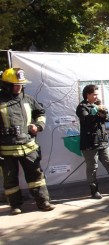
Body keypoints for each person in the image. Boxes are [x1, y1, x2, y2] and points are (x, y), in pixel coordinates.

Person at [0, 68, 54, 215]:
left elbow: (40, 113)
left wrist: (38, 126)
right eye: (16, 85)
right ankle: (15, 205)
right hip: (6, 149)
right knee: (10, 179)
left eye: (21, 85)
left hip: (29, 146)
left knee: (36, 176)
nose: (19, 87)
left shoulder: (27, 98)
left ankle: (43, 202)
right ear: (6, 85)